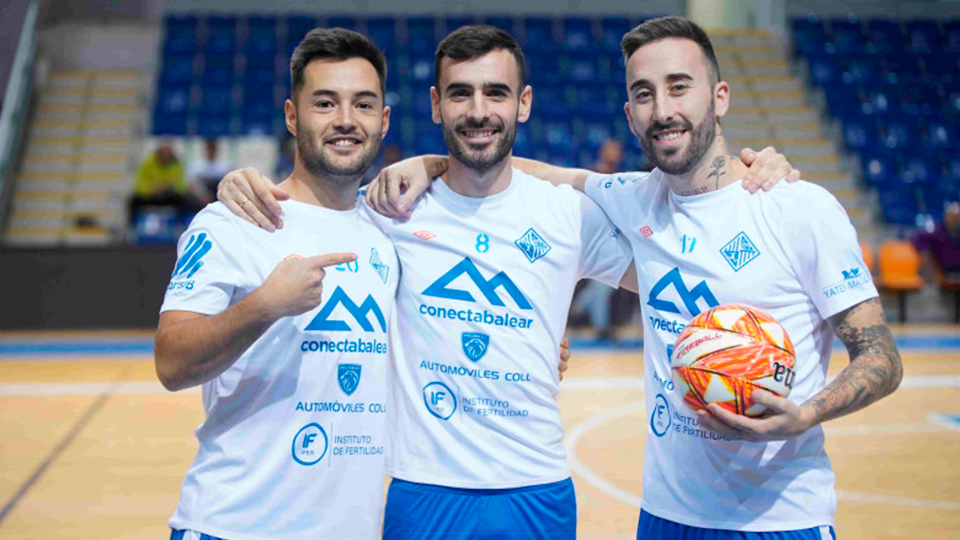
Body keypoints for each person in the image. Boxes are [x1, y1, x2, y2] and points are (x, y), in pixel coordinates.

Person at [217, 25, 799, 539]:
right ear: (436, 105)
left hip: (538, 489)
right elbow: (314, 204)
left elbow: (682, 264)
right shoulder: (390, 208)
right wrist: (238, 184)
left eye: (495, 92)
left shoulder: (568, 214)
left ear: (523, 104)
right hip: (423, 490)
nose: (478, 110)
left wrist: (749, 179)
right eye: (460, 94)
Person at [366, 16, 904, 540]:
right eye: (645, 94)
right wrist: (429, 162)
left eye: (679, 87)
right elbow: (509, 165)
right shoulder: (634, 199)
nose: (663, 110)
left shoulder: (799, 209)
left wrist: (803, 415)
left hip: (780, 518)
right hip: (664, 515)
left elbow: (882, 359)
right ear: (629, 113)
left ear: (719, 98)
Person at [154, 28, 398, 540]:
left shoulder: (392, 231)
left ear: (384, 121)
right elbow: (172, 363)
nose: (346, 121)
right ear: (292, 116)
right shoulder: (233, 221)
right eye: (325, 103)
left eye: (363, 104)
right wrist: (264, 306)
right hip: (234, 526)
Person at [129, 140, 192, 224]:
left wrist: (168, 187)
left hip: (168, 196)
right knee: (133, 200)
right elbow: (139, 183)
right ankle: (132, 226)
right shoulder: (148, 162)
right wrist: (152, 189)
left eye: (168, 151)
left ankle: (179, 225)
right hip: (150, 195)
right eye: (164, 151)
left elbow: (181, 186)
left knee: (184, 200)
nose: (165, 154)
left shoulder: (176, 165)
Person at [912, 200, 960, 280]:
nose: (954, 219)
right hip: (947, 272)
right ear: (946, 216)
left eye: (956, 216)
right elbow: (917, 238)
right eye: (951, 216)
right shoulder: (938, 233)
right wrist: (925, 253)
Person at [186, 138, 233, 203]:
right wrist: (201, 194)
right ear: (205, 150)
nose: (210, 152)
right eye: (209, 149)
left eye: (212, 149)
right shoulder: (196, 166)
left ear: (216, 150)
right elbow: (191, 185)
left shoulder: (225, 166)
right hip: (202, 195)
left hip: (219, 194)